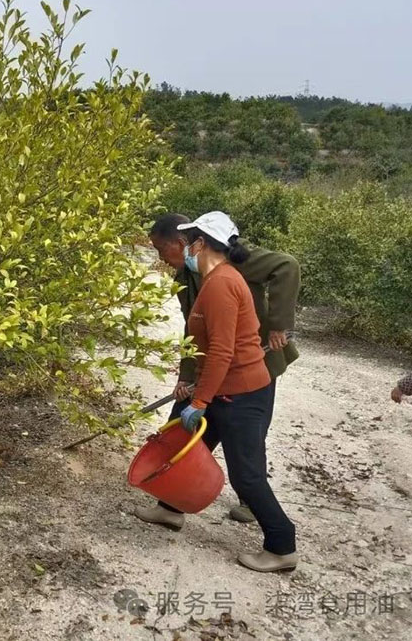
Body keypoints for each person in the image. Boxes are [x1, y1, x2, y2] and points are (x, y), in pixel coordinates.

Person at [134, 211, 298, 573]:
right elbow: (201, 342)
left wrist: (201, 401)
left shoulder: (222, 283)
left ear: (200, 243)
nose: (180, 249)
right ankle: (170, 508)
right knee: (184, 445)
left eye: (188, 240)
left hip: (240, 393)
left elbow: (223, 350)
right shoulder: (208, 280)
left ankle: (282, 545)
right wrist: (193, 386)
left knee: (247, 476)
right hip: (223, 389)